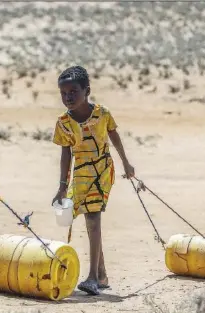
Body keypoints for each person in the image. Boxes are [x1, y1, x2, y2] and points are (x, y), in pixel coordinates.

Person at [51, 65, 140, 296]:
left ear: (86, 91)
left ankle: (91, 278)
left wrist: (126, 164)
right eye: (64, 93)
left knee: (93, 217)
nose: (68, 97)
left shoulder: (102, 113)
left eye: (73, 92)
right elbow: (65, 153)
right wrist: (62, 187)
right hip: (80, 173)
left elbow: (114, 136)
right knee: (84, 218)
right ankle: (101, 275)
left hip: (101, 169)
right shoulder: (63, 122)